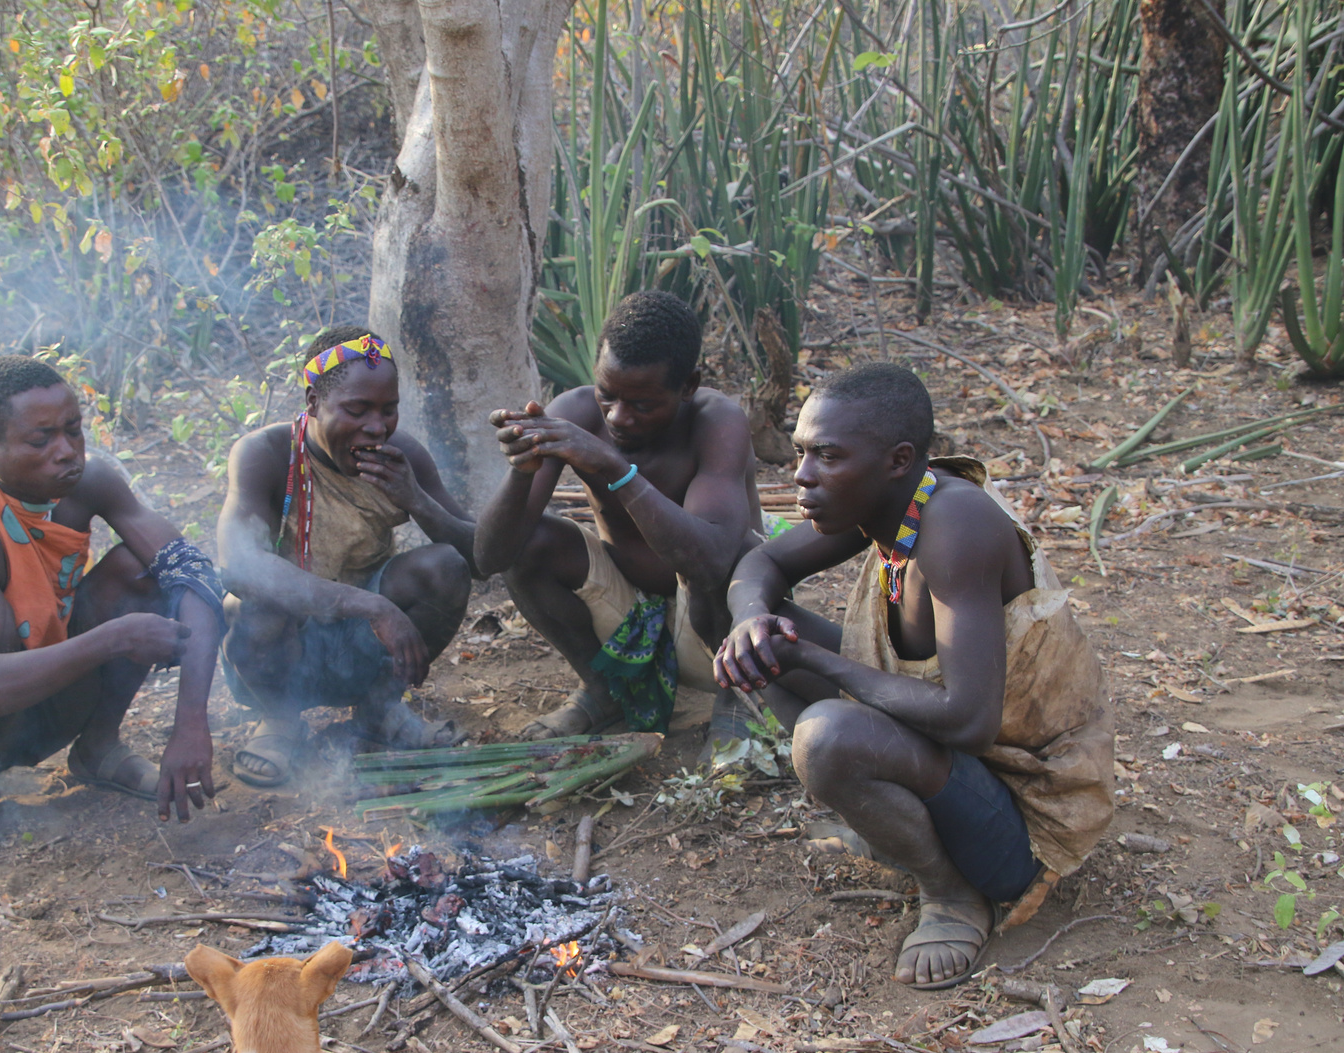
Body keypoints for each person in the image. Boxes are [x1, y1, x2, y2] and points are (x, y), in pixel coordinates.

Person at [714, 362, 1112, 990]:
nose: (802, 476)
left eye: (827, 456)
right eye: (799, 452)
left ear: (898, 460)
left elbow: (970, 720)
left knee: (827, 736)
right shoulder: (885, 501)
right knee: (744, 619)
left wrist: (813, 658)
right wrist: (750, 623)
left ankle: (952, 895)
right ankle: (885, 815)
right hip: (951, 762)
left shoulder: (956, 526)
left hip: (1023, 822)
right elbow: (760, 563)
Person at [0, 356, 226, 859]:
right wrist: (114, 639)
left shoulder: (90, 484)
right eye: (40, 441)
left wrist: (191, 722)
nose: (66, 452)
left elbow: (195, 575)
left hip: (39, 694)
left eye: (73, 430)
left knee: (141, 571)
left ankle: (97, 749)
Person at [476, 290, 762, 739]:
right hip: (627, 615)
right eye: (607, 395)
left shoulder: (717, 422)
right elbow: (492, 556)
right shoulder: (575, 412)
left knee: (737, 549)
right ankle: (605, 691)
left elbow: (710, 561)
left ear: (688, 386)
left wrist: (614, 468)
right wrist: (520, 472)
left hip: (719, 634)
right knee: (531, 542)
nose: (618, 417)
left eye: (643, 405)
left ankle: (736, 704)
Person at [216, 326, 475, 787]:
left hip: (361, 649)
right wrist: (371, 605)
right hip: (282, 650)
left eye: (388, 410)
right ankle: (279, 721)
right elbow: (238, 564)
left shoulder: (402, 455)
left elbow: (475, 558)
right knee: (255, 602)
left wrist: (416, 499)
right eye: (356, 410)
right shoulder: (265, 453)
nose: (376, 427)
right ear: (313, 402)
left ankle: (378, 712)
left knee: (444, 567)